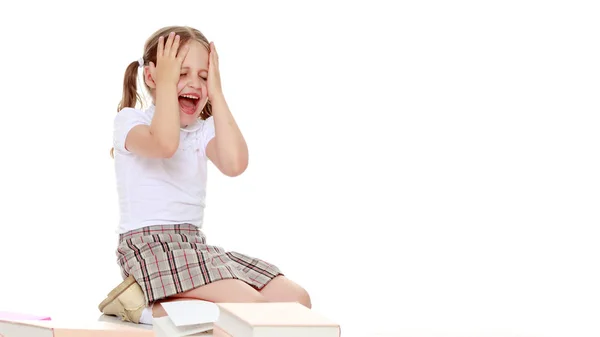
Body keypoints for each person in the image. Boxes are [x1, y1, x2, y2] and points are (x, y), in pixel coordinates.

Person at [97, 26, 311, 325]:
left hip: (194, 245)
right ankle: (143, 305)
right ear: (150, 77)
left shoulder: (202, 130)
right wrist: (167, 82)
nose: (194, 84)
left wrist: (218, 94)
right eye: (180, 74)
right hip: (149, 247)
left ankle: (174, 304)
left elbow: (235, 164)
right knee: (251, 308)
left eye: (204, 76)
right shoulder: (131, 122)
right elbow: (164, 143)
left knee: (296, 301)